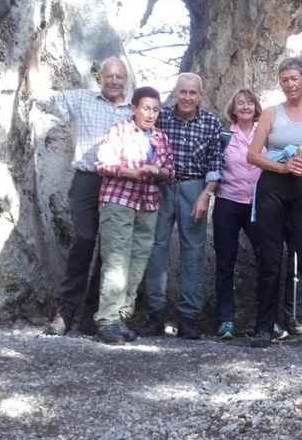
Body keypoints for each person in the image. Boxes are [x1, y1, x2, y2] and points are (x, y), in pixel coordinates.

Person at [27, 48, 132, 337]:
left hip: (121, 183)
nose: (114, 81)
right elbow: (42, 96)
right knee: (85, 240)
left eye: (119, 77)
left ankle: (93, 315)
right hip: (87, 179)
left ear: (126, 80)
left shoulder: (132, 110)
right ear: (100, 78)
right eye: (109, 76)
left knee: (111, 250)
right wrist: (32, 54)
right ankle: (65, 312)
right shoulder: (82, 99)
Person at [246, 57, 302, 350]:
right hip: (274, 184)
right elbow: (253, 155)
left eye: (294, 79)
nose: (289, 84)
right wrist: (282, 167)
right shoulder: (271, 114)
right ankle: (264, 328)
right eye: (284, 80)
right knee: (270, 258)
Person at [138, 73, 223, 340]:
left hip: (195, 188)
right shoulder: (160, 116)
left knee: (193, 253)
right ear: (175, 93)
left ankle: (188, 318)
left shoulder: (210, 122)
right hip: (161, 187)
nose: (187, 97)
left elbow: (215, 164)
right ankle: (155, 314)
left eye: (192, 93)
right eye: (182, 92)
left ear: (201, 95)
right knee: (155, 248)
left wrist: (206, 194)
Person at [93, 86, 175, 344]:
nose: (151, 114)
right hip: (118, 201)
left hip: (147, 205)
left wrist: (157, 172)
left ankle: (120, 317)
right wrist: (134, 172)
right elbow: (103, 163)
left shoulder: (160, 137)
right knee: (116, 261)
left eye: (155, 109)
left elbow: (170, 171)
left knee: (137, 262)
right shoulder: (119, 129)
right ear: (134, 108)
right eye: (146, 108)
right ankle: (106, 320)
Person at [212, 88, 264, 340]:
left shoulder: (265, 133)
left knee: (267, 258)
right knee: (225, 263)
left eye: (250, 102)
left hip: (258, 205)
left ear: (256, 107)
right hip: (227, 202)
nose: (245, 106)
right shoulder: (223, 135)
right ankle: (225, 321)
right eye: (240, 103)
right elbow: (214, 166)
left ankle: (266, 321)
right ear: (233, 109)